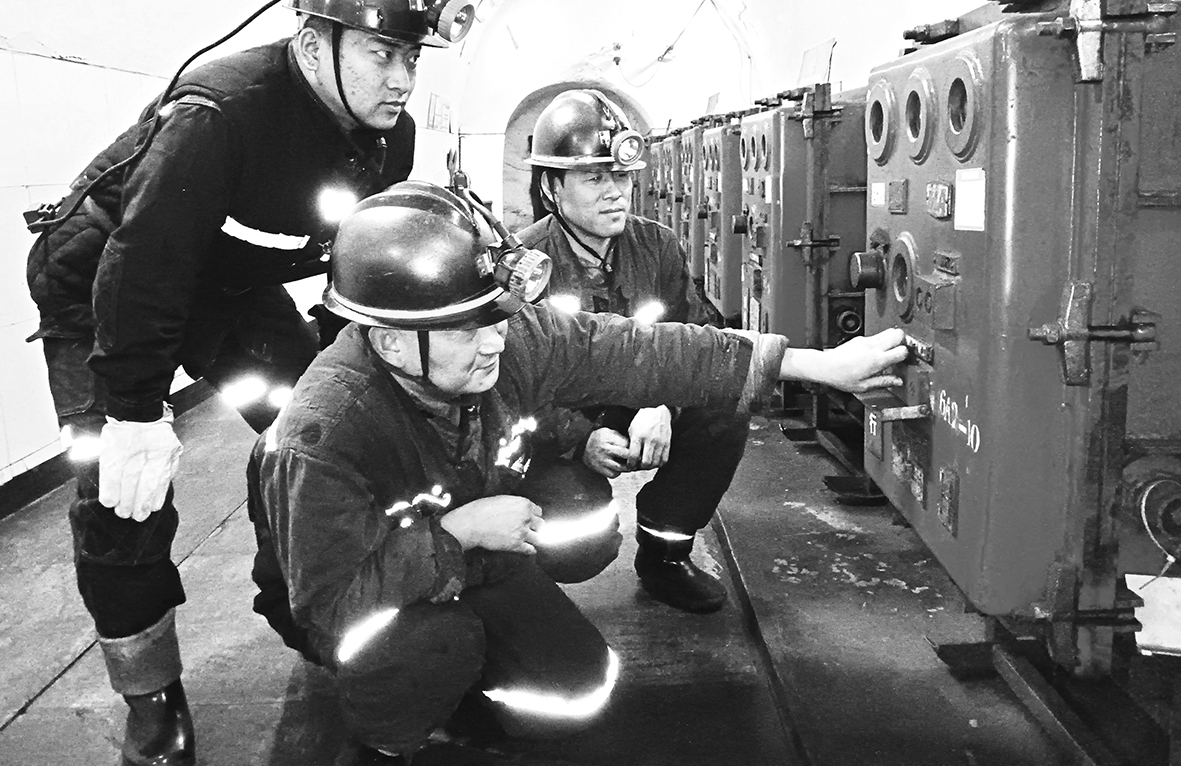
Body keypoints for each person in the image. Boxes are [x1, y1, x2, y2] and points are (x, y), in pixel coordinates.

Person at [247, 179, 908, 764]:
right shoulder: (324, 433)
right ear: (391, 341)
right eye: (467, 329)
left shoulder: (500, 342)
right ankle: (387, 736)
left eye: (497, 318)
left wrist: (812, 365)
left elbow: (638, 350)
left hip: (468, 554)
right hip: (354, 594)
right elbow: (329, 603)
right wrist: (457, 533)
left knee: (576, 692)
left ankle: (458, 679)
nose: (496, 342)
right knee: (430, 646)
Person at [23, 0, 471, 766]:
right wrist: (133, 410)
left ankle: (310, 612)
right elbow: (144, 261)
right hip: (103, 288)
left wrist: (353, 372)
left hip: (225, 286)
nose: (401, 79)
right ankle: (150, 695)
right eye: (381, 53)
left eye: (411, 56)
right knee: (123, 494)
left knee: (312, 435)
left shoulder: (389, 135)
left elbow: (357, 263)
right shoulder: (220, 112)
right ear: (313, 41)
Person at [516, 88, 747, 613]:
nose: (615, 193)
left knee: (724, 406)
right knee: (577, 543)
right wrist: (579, 439)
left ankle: (665, 556)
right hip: (562, 420)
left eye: (621, 177)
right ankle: (521, 580)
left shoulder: (656, 246)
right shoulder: (525, 264)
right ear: (551, 187)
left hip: (640, 404)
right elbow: (509, 389)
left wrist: (665, 403)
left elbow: (698, 337)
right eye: (594, 178)